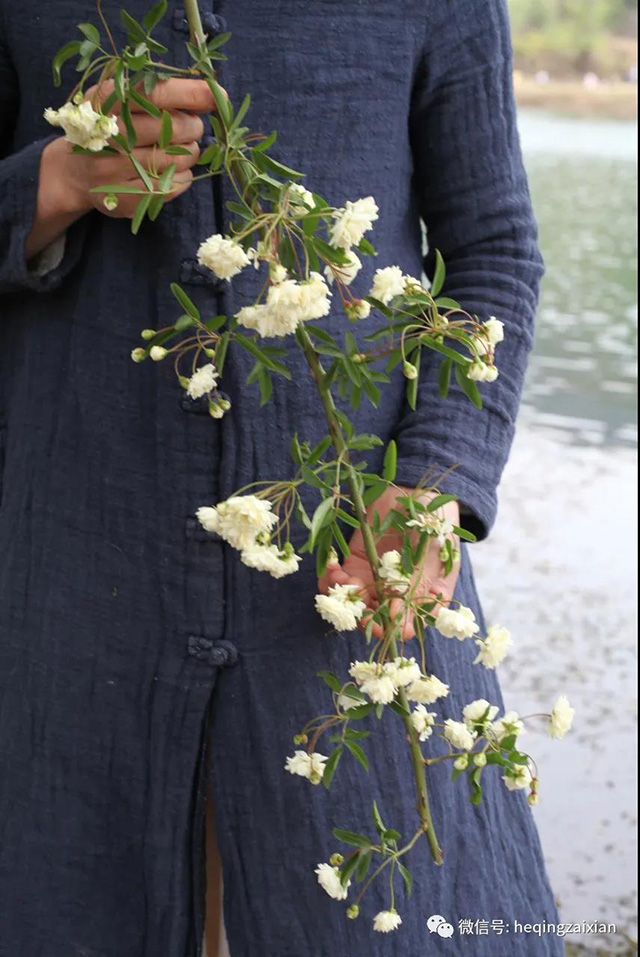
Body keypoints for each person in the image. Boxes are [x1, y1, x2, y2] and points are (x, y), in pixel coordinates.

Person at [0, 2, 563, 955]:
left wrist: (434, 477)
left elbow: (493, 252)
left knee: (409, 910)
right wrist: (51, 182)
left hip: (346, 566)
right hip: (73, 554)